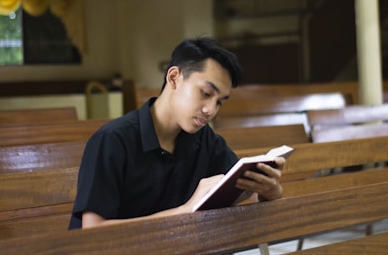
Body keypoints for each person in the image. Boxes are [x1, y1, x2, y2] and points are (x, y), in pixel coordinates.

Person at [68, 37, 286, 229]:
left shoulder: (205, 139)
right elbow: (94, 231)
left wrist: (270, 190)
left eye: (219, 101)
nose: (211, 110)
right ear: (174, 77)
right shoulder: (112, 140)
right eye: (205, 93)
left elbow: (244, 189)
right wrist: (186, 210)